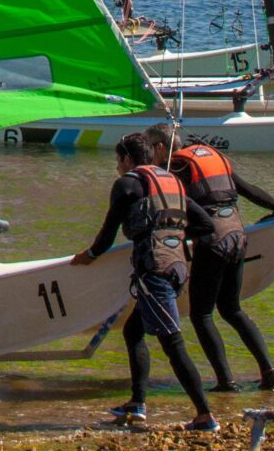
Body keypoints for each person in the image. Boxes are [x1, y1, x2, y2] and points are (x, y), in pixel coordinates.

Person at [72, 131, 218, 431]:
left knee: (172, 343)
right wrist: (172, 237)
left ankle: (205, 416)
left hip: (155, 271)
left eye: (117, 160)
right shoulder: (171, 182)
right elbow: (205, 224)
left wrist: (88, 255)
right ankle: (137, 404)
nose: (117, 167)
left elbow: (107, 235)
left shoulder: (127, 184)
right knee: (133, 330)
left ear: (127, 158)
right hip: (177, 268)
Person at [156, 125, 274, 392]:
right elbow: (248, 190)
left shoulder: (177, 166)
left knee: (201, 314)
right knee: (231, 309)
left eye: (151, 148)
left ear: (161, 147)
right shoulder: (210, 158)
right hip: (237, 237)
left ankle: (226, 381)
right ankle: (269, 372)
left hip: (213, 242)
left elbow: (177, 209)